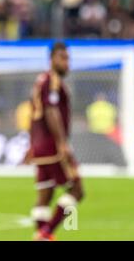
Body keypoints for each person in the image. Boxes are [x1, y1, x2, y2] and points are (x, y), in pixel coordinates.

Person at [25, 42, 85, 241]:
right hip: (52, 146)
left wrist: (32, 144)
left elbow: (34, 114)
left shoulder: (41, 80)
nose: (67, 63)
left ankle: (41, 232)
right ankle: (45, 233)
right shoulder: (52, 80)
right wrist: (61, 143)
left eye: (68, 58)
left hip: (40, 147)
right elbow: (50, 111)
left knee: (45, 195)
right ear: (52, 59)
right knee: (77, 190)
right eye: (63, 58)